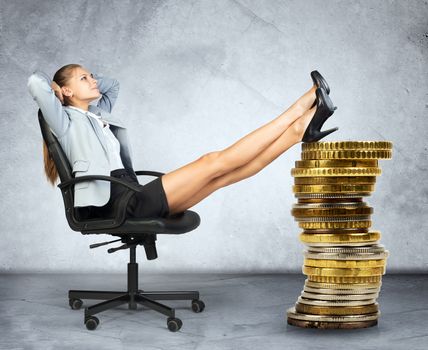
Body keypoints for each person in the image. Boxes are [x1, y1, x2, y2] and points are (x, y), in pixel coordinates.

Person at [27, 64, 337, 220]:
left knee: (220, 177)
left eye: (90, 75)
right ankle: (301, 107)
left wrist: (84, 81)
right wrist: (56, 88)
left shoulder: (96, 114)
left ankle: (300, 130)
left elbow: (113, 86)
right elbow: (34, 83)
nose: (93, 80)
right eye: (84, 78)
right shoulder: (65, 122)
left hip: (127, 191)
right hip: (117, 202)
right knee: (212, 162)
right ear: (65, 92)